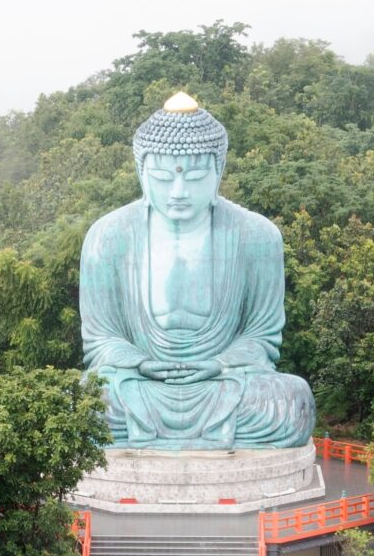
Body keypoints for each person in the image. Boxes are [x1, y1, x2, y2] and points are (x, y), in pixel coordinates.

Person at [78, 93, 315, 449]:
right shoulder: (107, 236)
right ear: (141, 173)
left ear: (218, 172)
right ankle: (207, 435)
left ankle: (180, 433)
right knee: (80, 403)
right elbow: (100, 340)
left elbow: (263, 338)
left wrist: (219, 363)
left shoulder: (257, 236)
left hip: (223, 384)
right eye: (161, 176)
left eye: (195, 176)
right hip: (139, 385)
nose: (178, 191)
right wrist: (141, 363)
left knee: (292, 402)